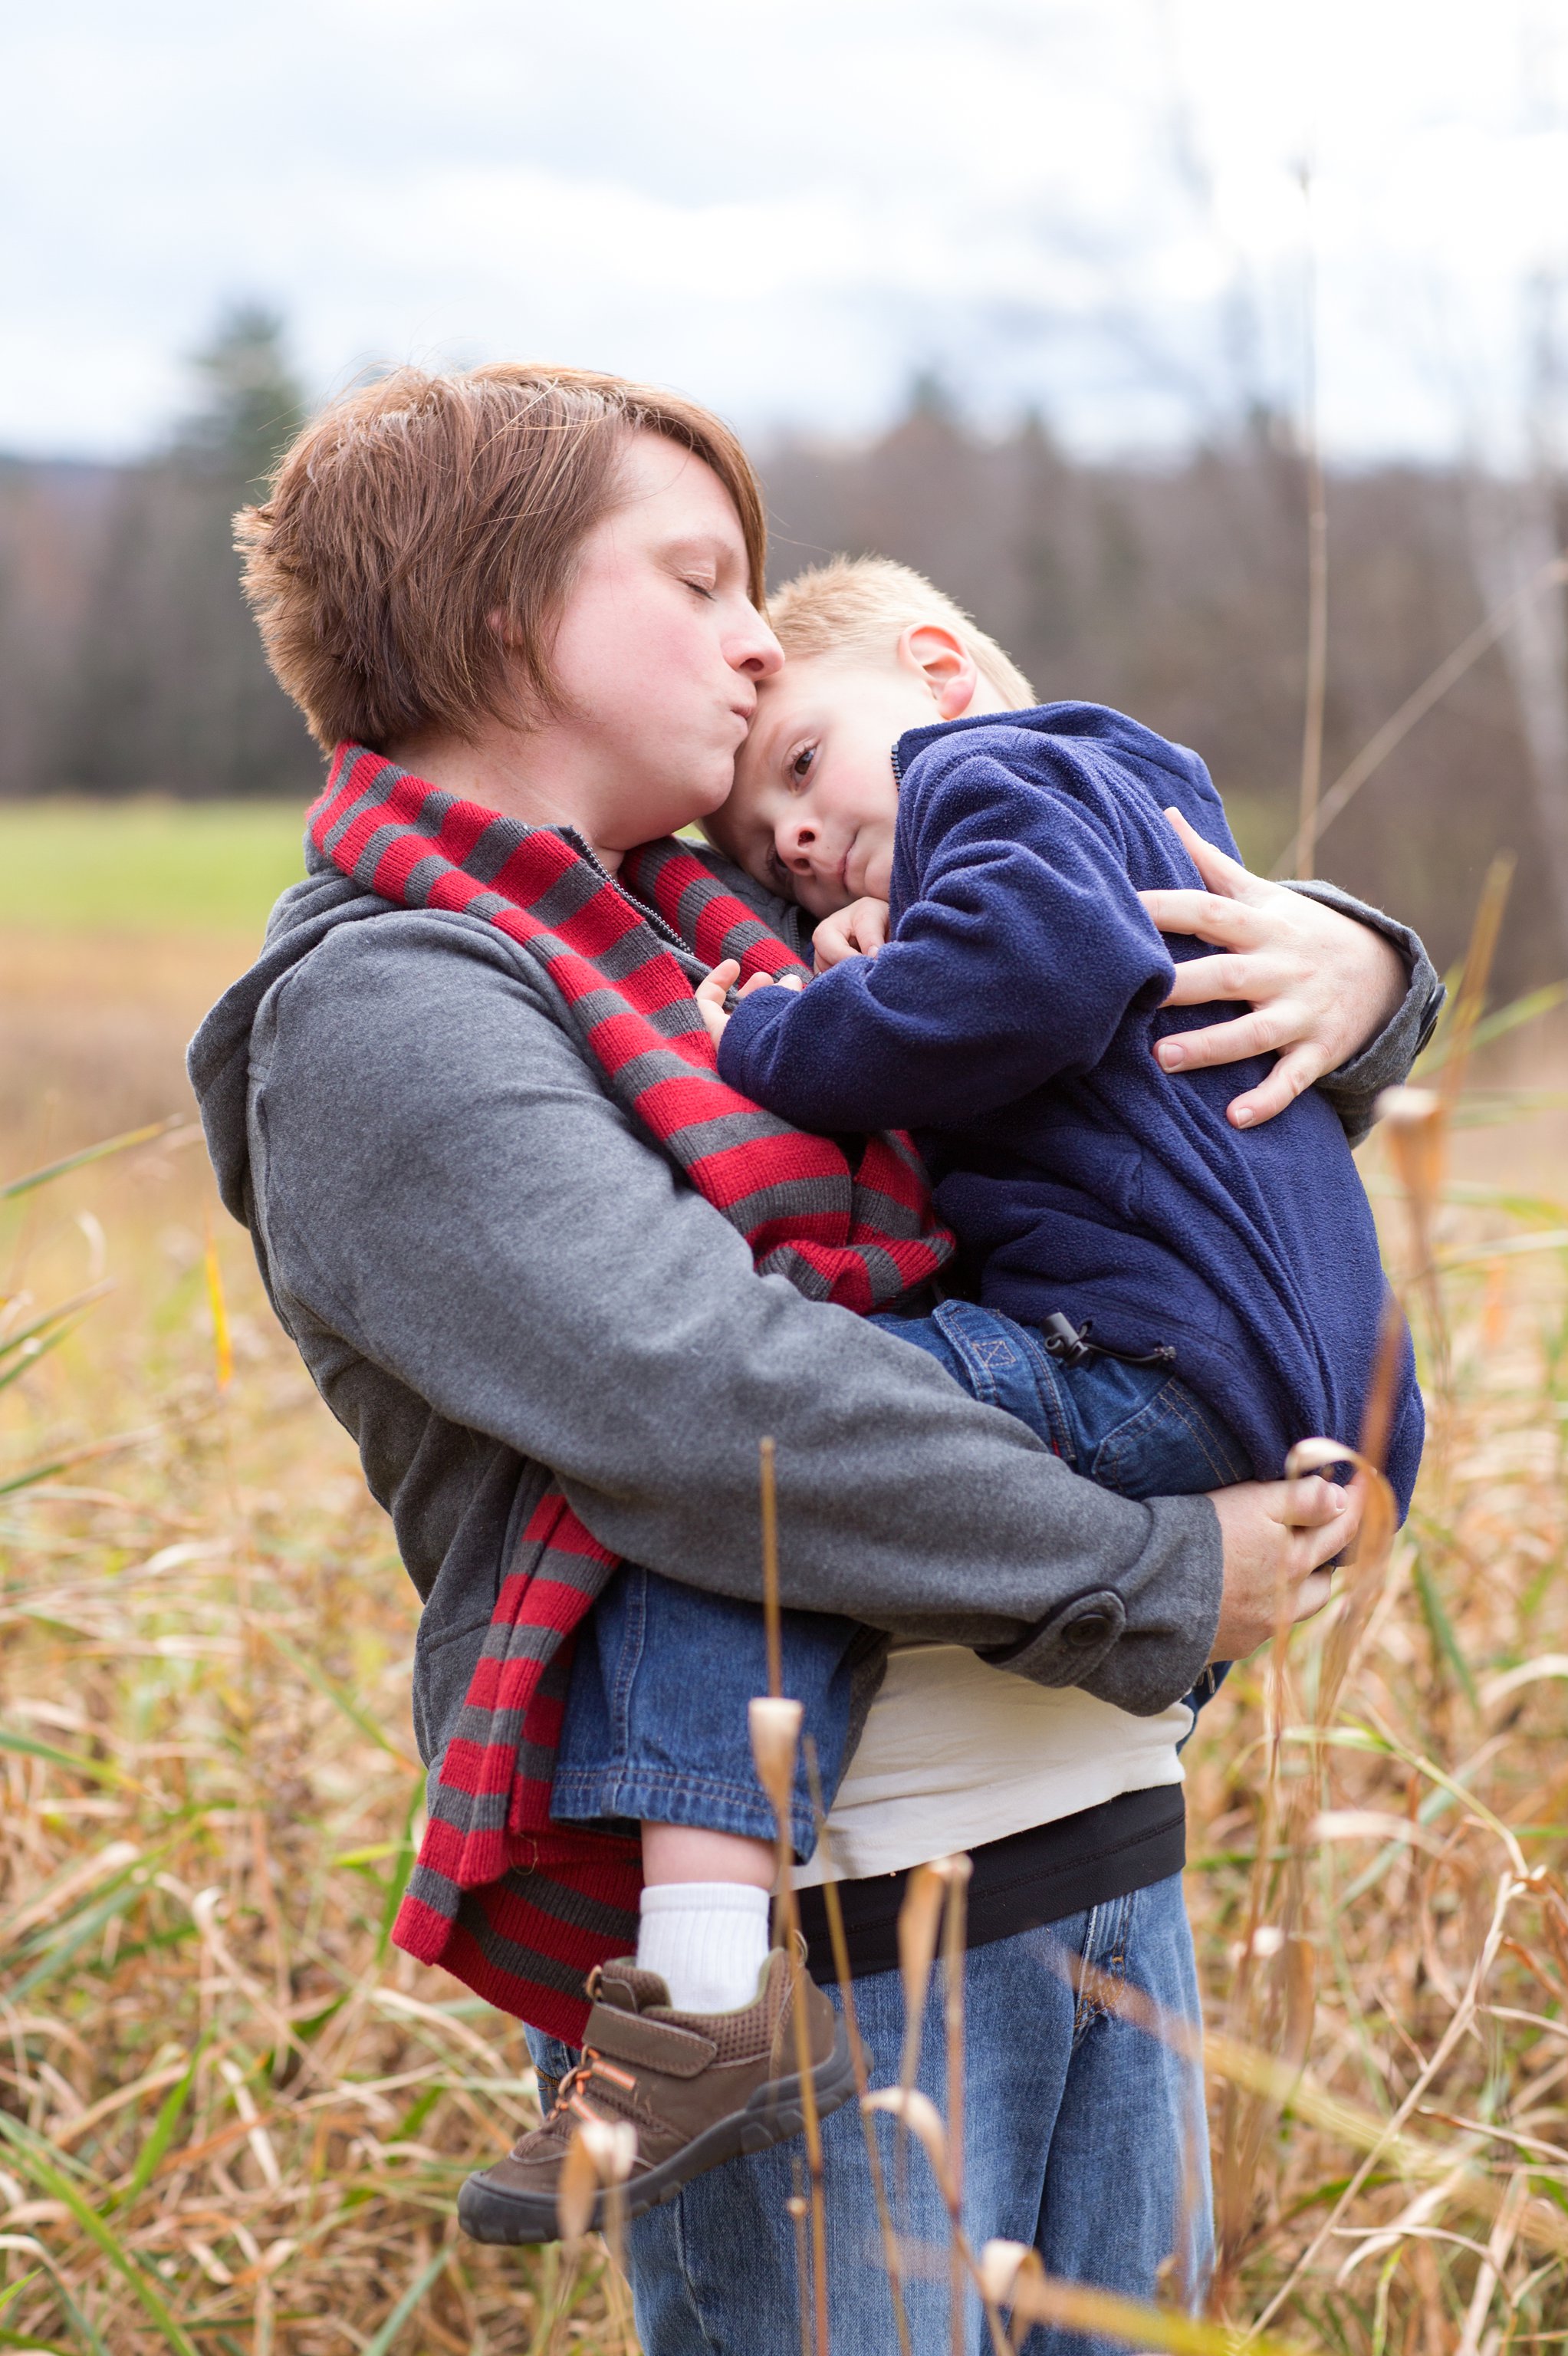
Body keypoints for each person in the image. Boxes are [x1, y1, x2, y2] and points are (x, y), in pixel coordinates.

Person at [188, 364, 1439, 2355]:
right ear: (505, 612)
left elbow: (1122, 1101)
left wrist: (1361, 971)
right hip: (829, 1964)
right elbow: (709, 1400)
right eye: (695, 578)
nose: (760, 637)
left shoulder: (748, 917)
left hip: (1106, 1861)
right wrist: (1161, 1572)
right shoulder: (393, 1003)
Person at [505, 552, 1423, 2242]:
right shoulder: (1111, 798)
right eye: (755, 844)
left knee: (742, 1484)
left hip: (1150, 1359)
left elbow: (1031, 969)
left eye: (797, 771)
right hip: (1301, 1394)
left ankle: (700, 2000)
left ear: (938, 672)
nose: (781, 844)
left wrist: (780, 1036)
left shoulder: (990, 769)